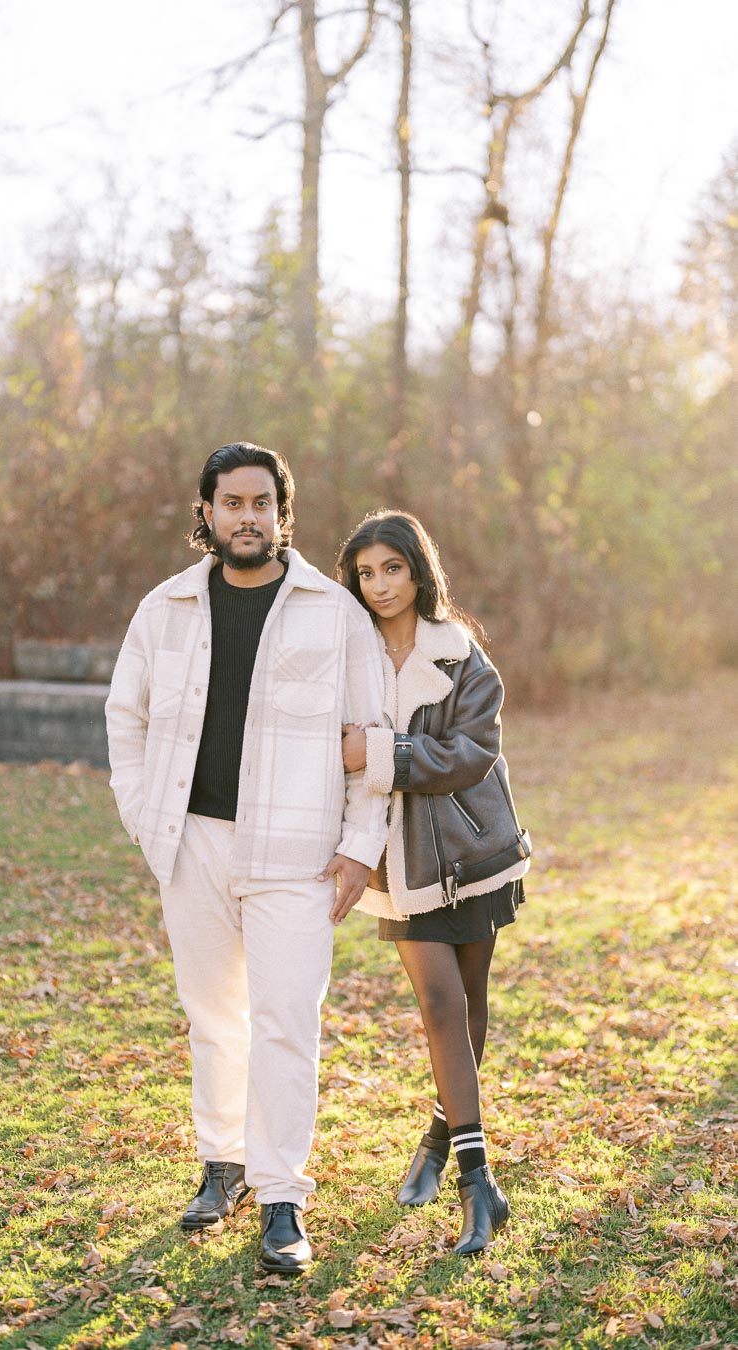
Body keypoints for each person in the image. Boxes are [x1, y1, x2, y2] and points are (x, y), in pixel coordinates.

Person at [105, 443, 389, 1274]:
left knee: (286, 1019)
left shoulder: (332, 613)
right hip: (192, 840)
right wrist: (141, 812)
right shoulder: (164, 610)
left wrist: (359, 848)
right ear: (207, 513)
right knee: (212, 1015)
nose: (247, 517)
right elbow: (127, 717)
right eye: (231, 503)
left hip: (296, 853)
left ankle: (281, 1199)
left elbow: (371, 741)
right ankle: (221, 1166)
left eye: (262, 503)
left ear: (281, 512)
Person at [337, 510, 530, 1255]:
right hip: (402, 864)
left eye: (393, 568)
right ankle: (479, 1184)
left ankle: (438, 1136)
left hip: (475, 849)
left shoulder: (461, 655)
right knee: (440, 1000)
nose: (380, 585)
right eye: (366, 572)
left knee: (472, 1003)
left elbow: (472, 752)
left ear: (418, 570)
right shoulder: (346, 655)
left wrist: (380, 752)